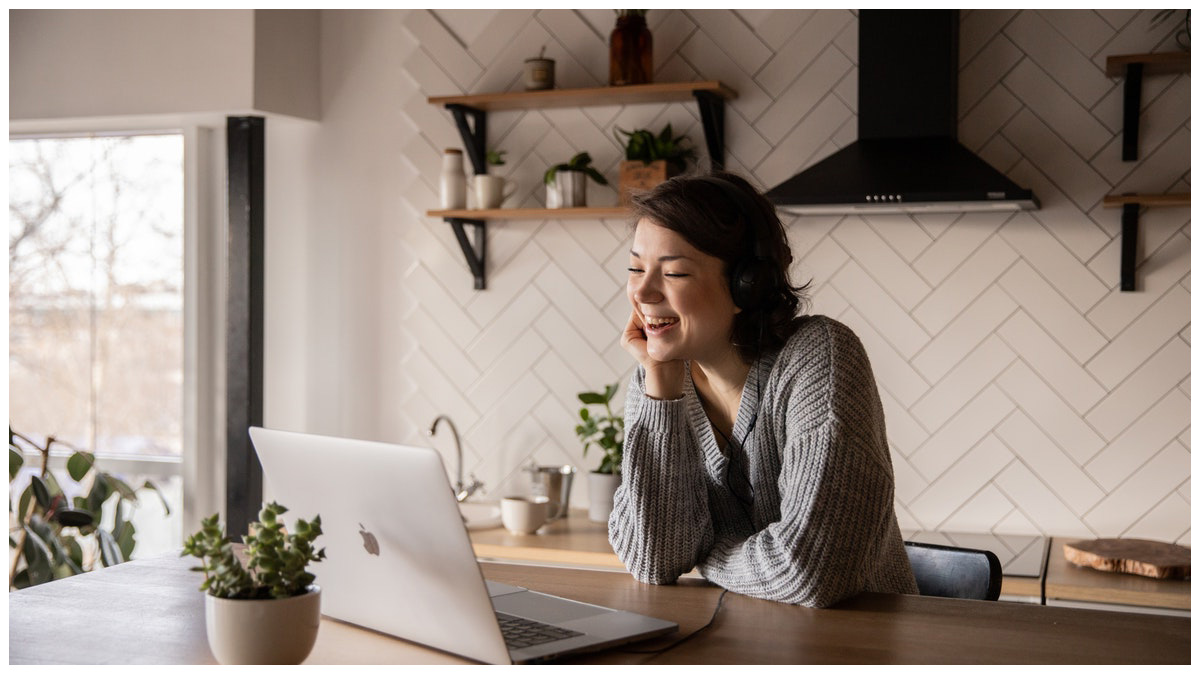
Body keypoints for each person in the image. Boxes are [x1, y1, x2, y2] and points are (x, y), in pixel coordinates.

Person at [608, 171, 918, 608]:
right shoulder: (657, 382)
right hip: (741, 644)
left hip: (859, 648)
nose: (642, 291)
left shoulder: (819, 357)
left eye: (674, 272)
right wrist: (660, 391)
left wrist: (708, 553)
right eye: (636, 268)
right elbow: (654, 560)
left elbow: (809, 570)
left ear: (746, 286)